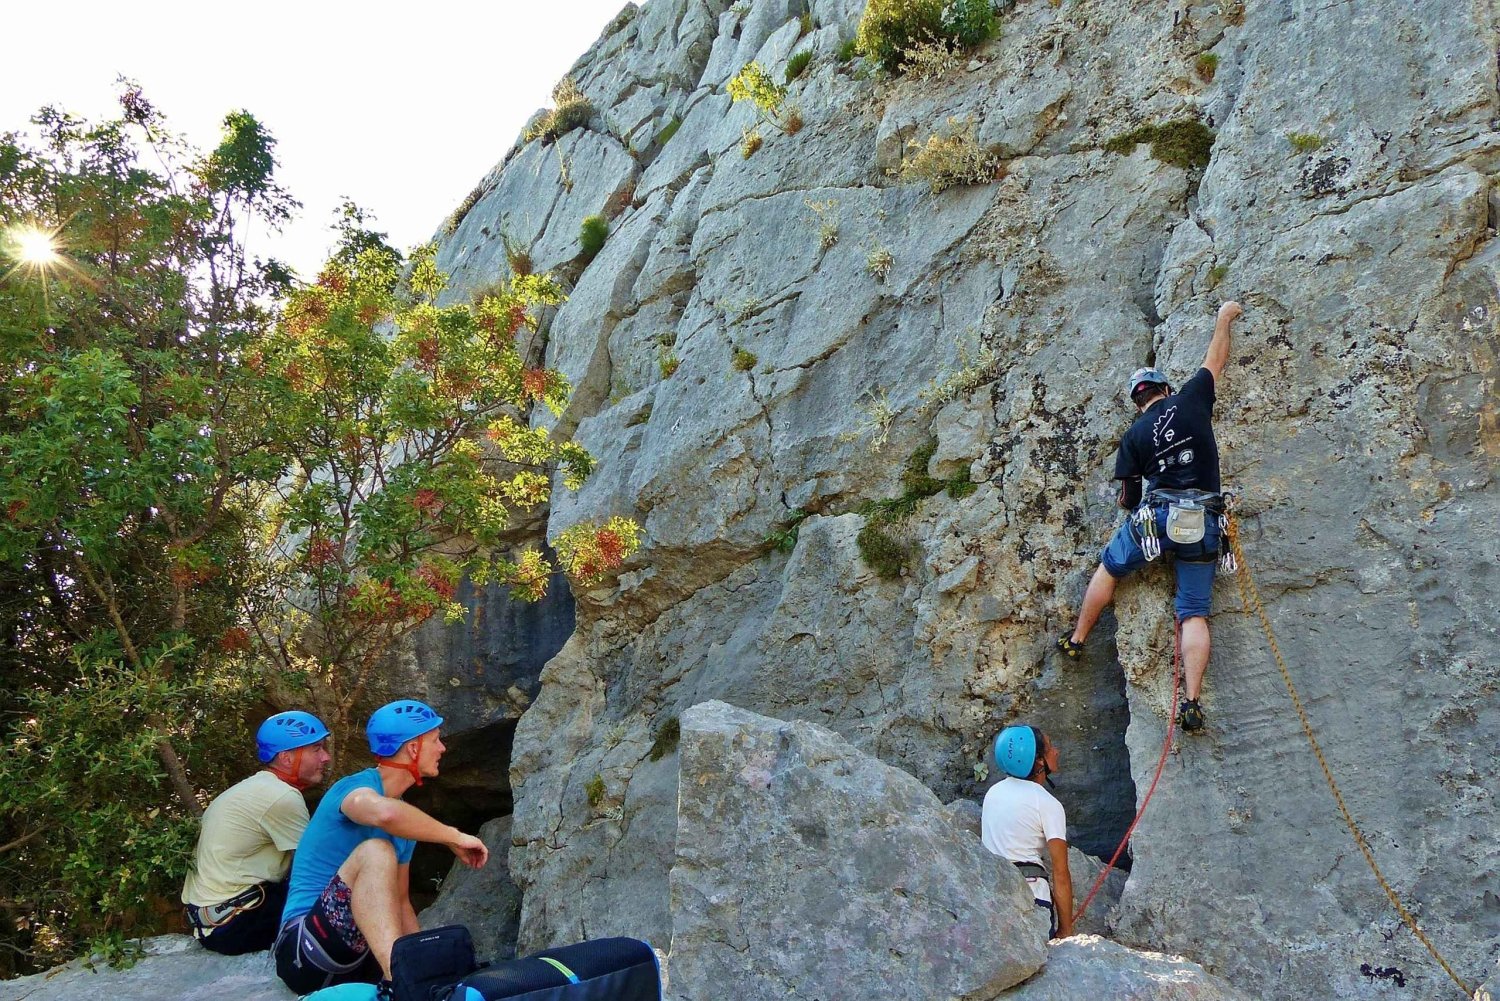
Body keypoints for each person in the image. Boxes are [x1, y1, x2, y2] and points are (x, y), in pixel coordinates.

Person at [1057, 300, 1244, 732]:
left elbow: (1128, 497)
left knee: (1110, 567)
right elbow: (1215, 359)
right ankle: (1191, 702)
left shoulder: (1134, 435)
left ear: (1136, 402)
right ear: (1166, 389)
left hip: (1157, 520)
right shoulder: (1192, 398)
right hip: (1204, 520)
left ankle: (1077, 639)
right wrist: (1224, 318)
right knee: (1193, 611)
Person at [274, 699, 490, 996]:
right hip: (304, 951)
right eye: (435, 740)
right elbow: (384, 814)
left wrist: (424, 969)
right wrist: (453, 837)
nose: (442, 749)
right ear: (413, 748)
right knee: (376, 850)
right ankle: (399, 985)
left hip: (356, 960)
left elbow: (401, 904)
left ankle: (408, 983)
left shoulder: (404, 822)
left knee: (437, 967)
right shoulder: (353, 788)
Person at [182, 710, 332, 954]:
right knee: (340, 896)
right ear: (286, 758)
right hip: (233, 926)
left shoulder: (256, 786)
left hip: (214, 919)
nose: (325, 757)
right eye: (316, 749)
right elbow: (318, 864)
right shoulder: (281, 797)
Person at [982, 725, 1073, 939]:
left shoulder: (993, 793)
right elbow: (1061, 874)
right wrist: (1065, 930)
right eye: (1050, 748)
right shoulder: (1048, 804)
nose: (1056, 751)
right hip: (1031, 898)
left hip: (991, 894)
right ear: (1039, 760)